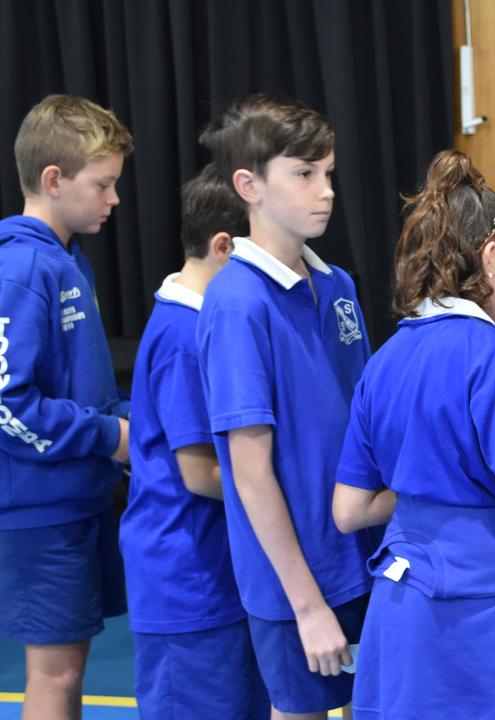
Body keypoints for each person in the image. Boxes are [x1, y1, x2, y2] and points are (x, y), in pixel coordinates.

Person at [332, 149, 495, 719]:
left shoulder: (384, 360)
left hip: (397, 608)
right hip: (470, 619)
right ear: (490, 259)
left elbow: (349, 509)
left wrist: (432, 485)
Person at [196, 94, 373, 720]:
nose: (324, 190)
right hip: (297, 582)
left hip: (364, 556)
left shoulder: (339, 286)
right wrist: (306, 604)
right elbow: (249, 473)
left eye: (327, 173)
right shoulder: (238, 303)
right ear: (250, 185)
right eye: (304, 174)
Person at [118, 164, 270, 719]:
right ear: (225, 247)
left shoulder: (205, 321)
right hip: (188, 586)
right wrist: (289, 496)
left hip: (220, 577)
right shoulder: (185, 336)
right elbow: (198, 473)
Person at [0, 94, 132, 720]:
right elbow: (8, 404)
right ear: (54, 181)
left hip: (75, 500)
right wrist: (111, 436)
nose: (112, 200)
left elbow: (79, 388)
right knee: (54, 674)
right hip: (37, 512)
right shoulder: (21, 267)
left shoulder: (64, 260)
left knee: (70, 668)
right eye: (102, 185)